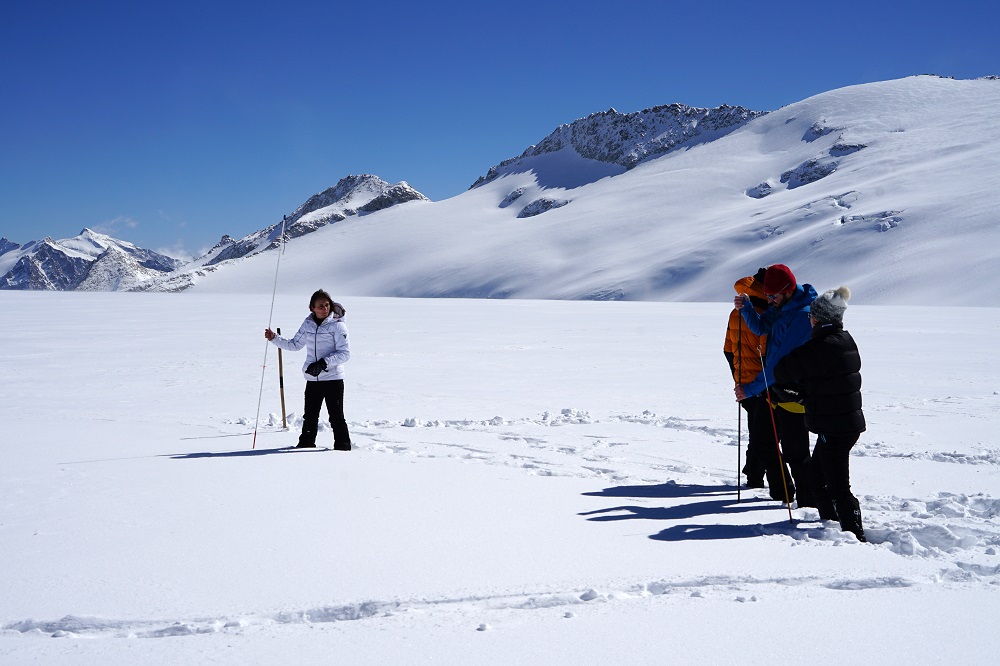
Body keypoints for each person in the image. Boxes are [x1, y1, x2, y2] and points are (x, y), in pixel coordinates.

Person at [775, 286, 867, 542]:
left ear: (818, 318)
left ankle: (854, 536)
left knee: (838, 486)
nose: (809, 319)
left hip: (835, 426)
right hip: (843, 421)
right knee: (816, 475)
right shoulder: (843, 339)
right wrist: (807, 392)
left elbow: (783, 369)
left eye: (811, 316)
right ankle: (830, 522)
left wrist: (798, 392)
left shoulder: (823, 345)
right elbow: (828, 380)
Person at [734, 264, 817, 506]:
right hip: (773, 391)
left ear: (788, 290)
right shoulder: (781, 307)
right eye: (767, 296)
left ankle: (809, 503)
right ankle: (783, 494)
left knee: (797, 453)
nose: (769, 301)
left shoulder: (802, 316)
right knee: (763, 443)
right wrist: (747, 308)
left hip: (794, 393)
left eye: (773, 296)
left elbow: (779, 364)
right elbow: (760, 326)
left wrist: (749, 389)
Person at [265, 289, 352, 450]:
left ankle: (343, 447)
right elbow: (294, 344)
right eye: (320, 306)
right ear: (312, 308)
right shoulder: (308, 324)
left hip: (333, 379)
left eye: (327, 305)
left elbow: (344, 354)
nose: (325, 309)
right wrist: (274, 338)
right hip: (313, 379)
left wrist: (323, 363)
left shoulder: (338, 326)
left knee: (336, 417)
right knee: (310, 416)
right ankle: (306, 444)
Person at [724, 268, 777, 491]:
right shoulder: (766, 312)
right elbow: (768, 353)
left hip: (744, 382)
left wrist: (737, 379)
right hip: (763, 382)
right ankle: (776, 484)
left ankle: (754, 476)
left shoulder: (736, 310)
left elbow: (728, 350)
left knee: (757, 432)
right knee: (767, 436)